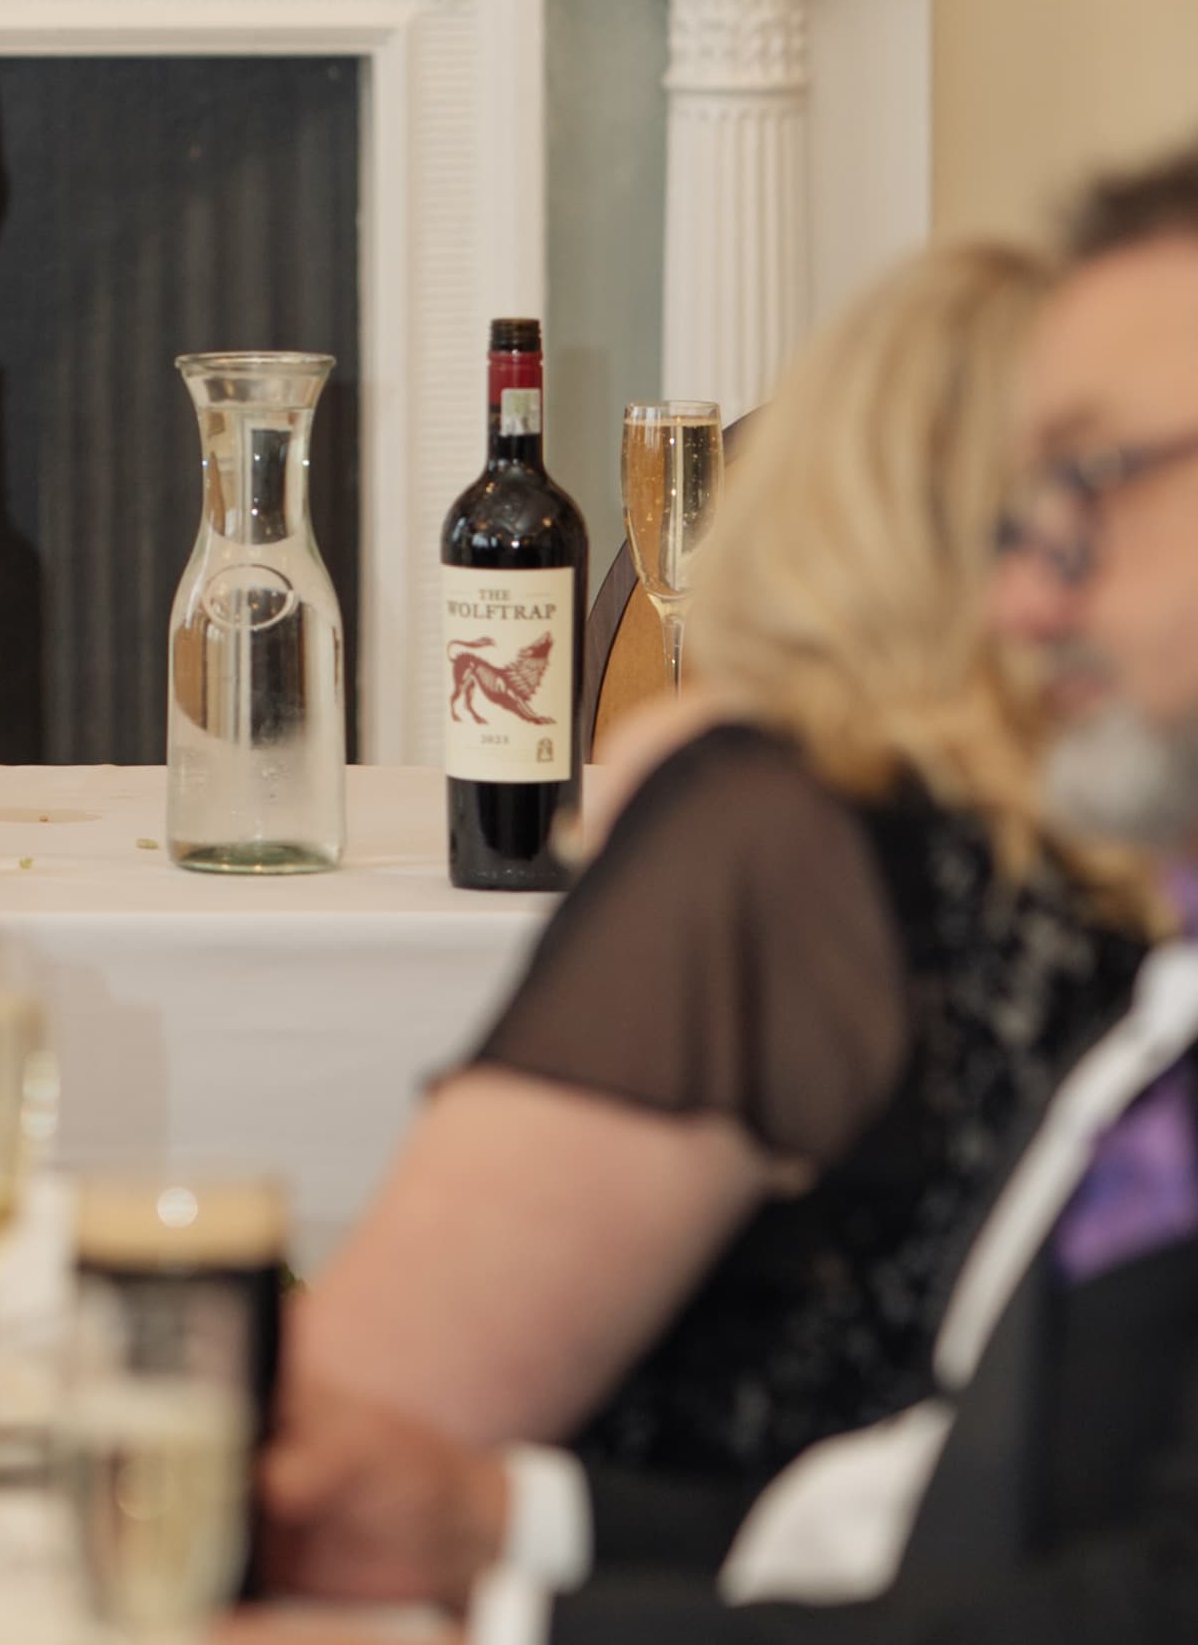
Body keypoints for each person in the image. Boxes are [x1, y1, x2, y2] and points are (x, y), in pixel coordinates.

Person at [249, 142, 1198, 1640]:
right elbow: (944, 1501)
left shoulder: (781, 825)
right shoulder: (1128, 907)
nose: (1041, 584)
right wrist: (500, 1528)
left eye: (1099, 482)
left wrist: (485, 1608)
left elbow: (348, 1421)